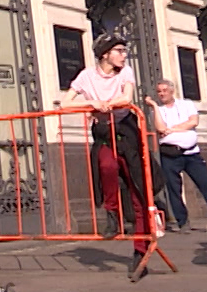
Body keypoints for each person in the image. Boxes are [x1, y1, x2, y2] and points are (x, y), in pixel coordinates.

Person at [60, 34, 151, 278]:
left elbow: (127, 98)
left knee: (138, 190)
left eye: (124, 50)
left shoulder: (125, 72)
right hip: (103, 132)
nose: (124, 54)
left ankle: (140, 250)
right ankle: (112, 214)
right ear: (105, 54)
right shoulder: (86, 76)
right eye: (119, 50)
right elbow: (64, 104)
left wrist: (107, 103)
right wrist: (92, 105)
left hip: (127, 131)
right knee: (106, 167)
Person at [145, 79, 207, 233]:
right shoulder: (158, 110)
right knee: (173, 189)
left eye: (164, 90)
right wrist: (155, 107)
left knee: (206, 184)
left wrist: (172, 129)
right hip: (169, 155)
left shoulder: (186, 104)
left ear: (172, 90)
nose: (162, 94)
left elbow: (193, 122)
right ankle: (182, 221)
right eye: (159, 91)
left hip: (191, 153)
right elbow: (160, 128)